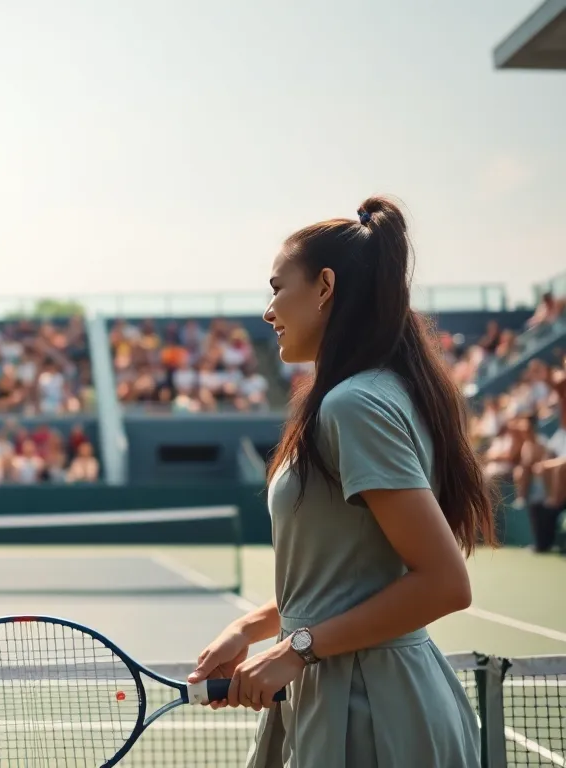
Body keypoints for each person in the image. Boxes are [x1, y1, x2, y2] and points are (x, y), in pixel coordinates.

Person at [187, 196, 493, 767]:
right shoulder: (371, 392)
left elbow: (445, 583)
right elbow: (348, 576)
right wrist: (251, 629)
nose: (268, 309)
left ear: (324, 287)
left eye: (278, 287)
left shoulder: (355, 404)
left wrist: (296, 649)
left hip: (374, 712)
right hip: (344, 697)